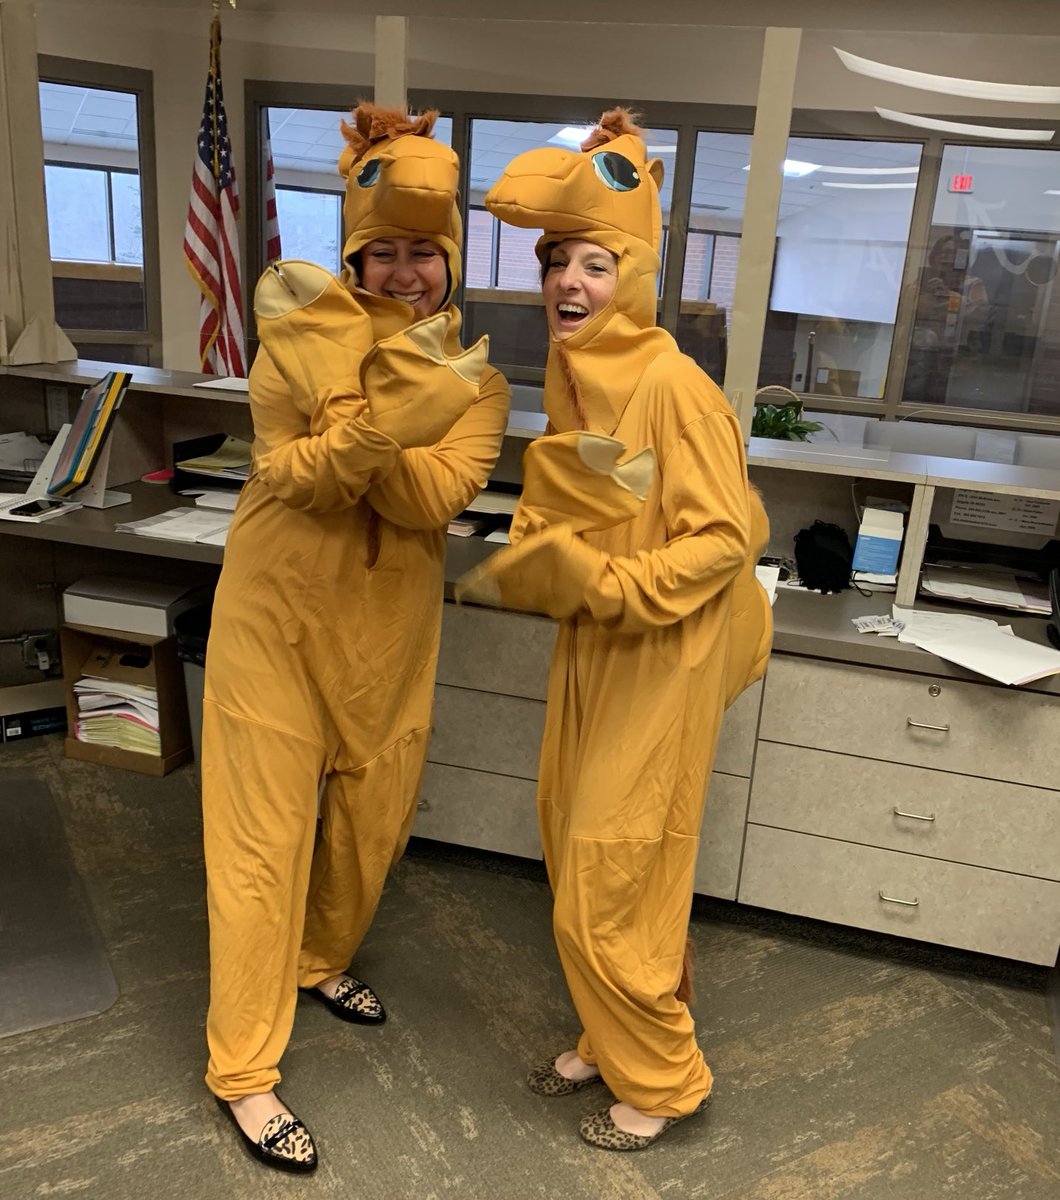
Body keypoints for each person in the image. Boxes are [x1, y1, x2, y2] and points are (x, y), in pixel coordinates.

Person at [200, 103, 510, 1174]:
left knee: (369, 825)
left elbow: (432, 499)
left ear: (450, 261)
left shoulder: (479, 380)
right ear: (354, 253)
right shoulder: (294, 334)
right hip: (274, 626)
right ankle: (243, 1072)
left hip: (386, 636)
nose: (404, 271)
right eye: (384, 250)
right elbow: (291, 474)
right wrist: (379, 419)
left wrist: (363, 430)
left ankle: (321, 957)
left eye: (424, 252)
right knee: (258, 848)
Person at [459, 109, 771, 1151]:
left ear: (634, 273)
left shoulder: (677, 386)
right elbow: (591, 506)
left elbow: (722, 538)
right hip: (595, 648)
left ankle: (665, 1077)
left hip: (660, 655)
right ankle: (609, 1030)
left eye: (595, 264)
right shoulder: (583, 376)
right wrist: (547, 551)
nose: (568, 284)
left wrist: (604, 579)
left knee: (615, 864)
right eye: (556, 263)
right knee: (572, 842)